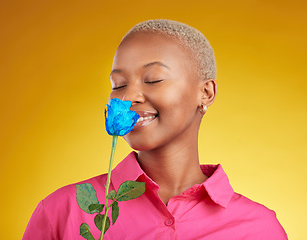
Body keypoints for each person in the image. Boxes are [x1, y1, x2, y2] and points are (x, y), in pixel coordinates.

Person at [23, 19, 288, 239]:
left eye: (153, 80)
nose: (128, 98)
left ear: (205, 93)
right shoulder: (61, 212)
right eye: (118, 84)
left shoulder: (259, 228)